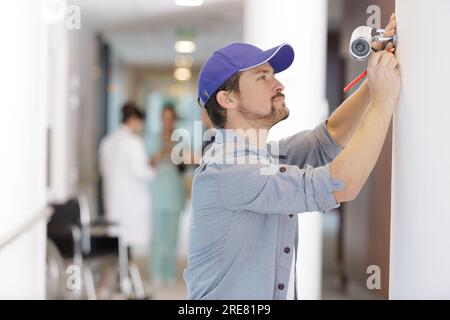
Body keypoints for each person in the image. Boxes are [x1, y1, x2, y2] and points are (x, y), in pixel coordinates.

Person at [184, 15, 399, 299]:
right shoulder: (230, 168)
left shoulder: (262, 157)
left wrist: (374, 83)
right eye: (263, 77)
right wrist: (384, 101)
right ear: (228, 100)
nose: (279, 85)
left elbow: (329, 136)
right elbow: (342, 183)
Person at [99, 102, 155, 251]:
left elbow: (103, 169)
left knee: (116, 242)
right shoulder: (133, 142)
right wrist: (153, 169)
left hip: (114, 200)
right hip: (131, 203)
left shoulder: (108, 141)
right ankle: (124, 271)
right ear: (134, 120)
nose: (140, 127)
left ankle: (119, 271)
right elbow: (142, 172)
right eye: (140, 123)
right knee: (127, 243)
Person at [149, 104, 186, 286]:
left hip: (174, 194)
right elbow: (147, 163)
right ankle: (156, 271)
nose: (168, 121)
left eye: (171, 118)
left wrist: (176, 153)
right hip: (157, 193)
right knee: (157, 236)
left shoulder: (180, 139)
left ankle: (169, 271)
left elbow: (184, 166)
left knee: (172, 237)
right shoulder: (152, 138)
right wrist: (161, 153)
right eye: (165, 118)